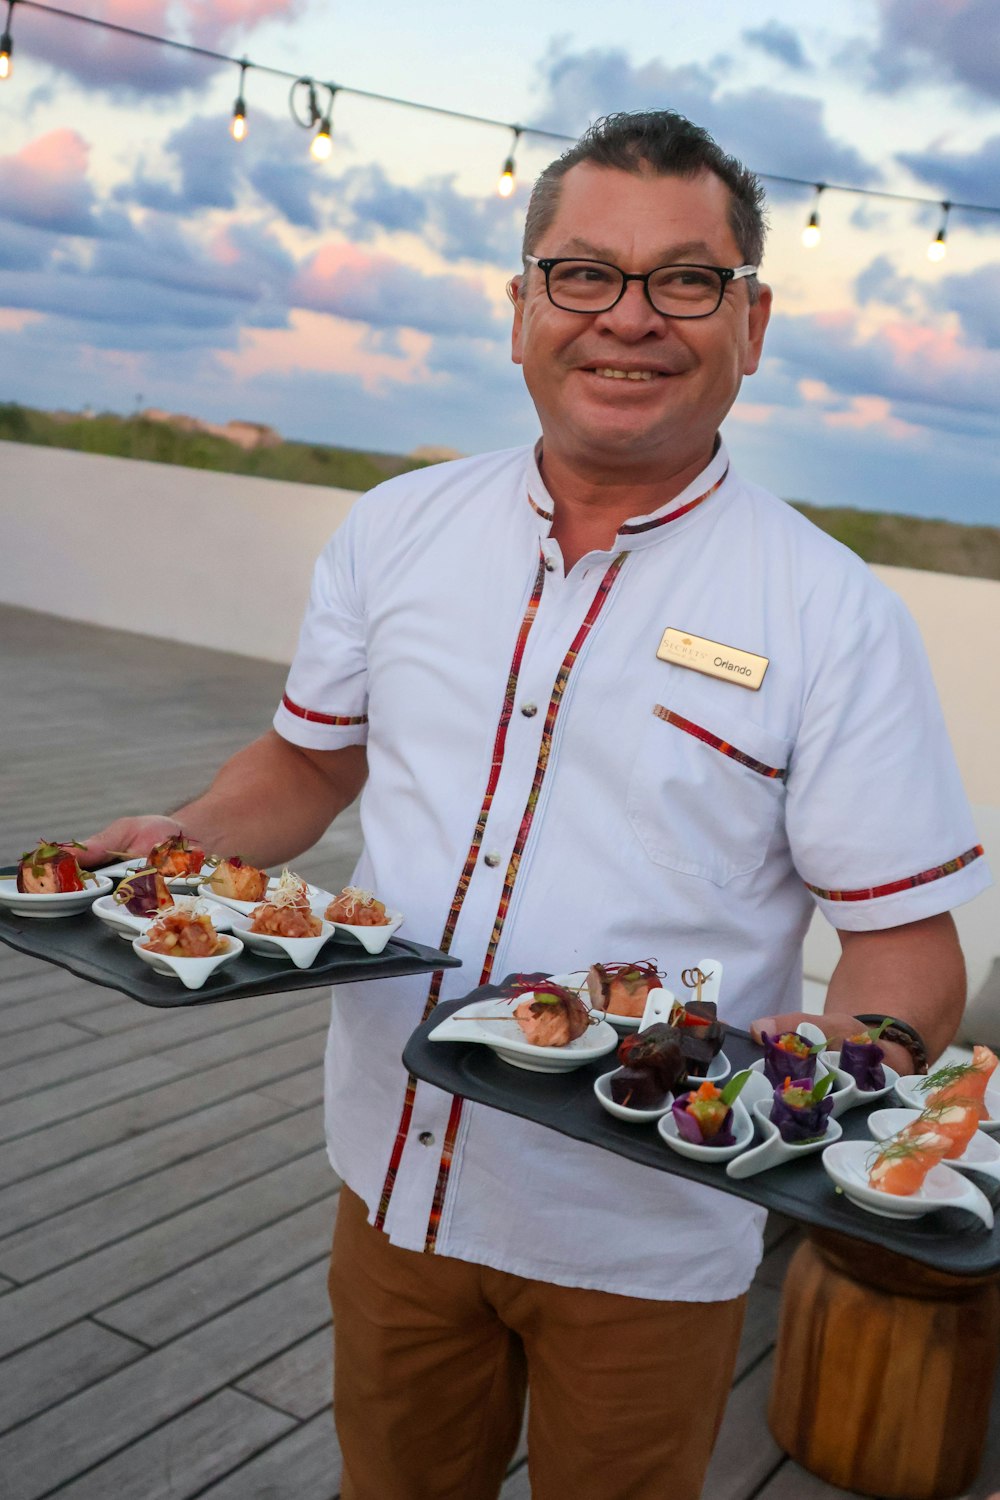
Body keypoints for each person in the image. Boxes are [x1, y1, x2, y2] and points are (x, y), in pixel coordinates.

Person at [82, 111, 990, 1499]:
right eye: (583, 274)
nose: (629, 319)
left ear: (753, 322)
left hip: (644, 1228)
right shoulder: (397, 530)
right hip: (393, 1170)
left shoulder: (832, 613)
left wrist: (837, 1061)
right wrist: (182, 841)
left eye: (685, 279)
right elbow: (311, 763)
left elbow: (907, 949)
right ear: (520, 307)